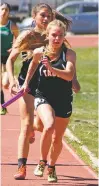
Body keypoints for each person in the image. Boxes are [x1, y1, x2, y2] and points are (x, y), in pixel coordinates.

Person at [21, 19, 76, 183]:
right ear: (48, 35)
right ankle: (42, 162)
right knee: (49, 125)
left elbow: (69, 75)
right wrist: (25, 83)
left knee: (57, 138)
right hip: (43, 95)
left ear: (64, 36)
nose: (57, 39)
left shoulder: (69, 54)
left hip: (63, 99)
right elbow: (32, 66)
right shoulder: (40, 52)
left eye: (60, 35)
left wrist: (52, 69)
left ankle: (51, 167)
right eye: (54, 35)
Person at [6, 3, 54, 180]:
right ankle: (21, 167)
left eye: (49, 15)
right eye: (43, 15)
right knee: (25, 125)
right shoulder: (28, 35)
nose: (46, 19)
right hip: (26, 84)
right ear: (34, 17)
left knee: (40, 126)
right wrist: (12, 81)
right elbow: (11, 60)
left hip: (47, 85)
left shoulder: (54, 36)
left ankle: (35, 127)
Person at [0, 2, 19, 115]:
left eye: (6, 10)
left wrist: (13, 47)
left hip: (7, 57)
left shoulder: (11, 25)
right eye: (2, 9)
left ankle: (12, 80)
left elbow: (18, 38)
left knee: (5, 82)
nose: (3, 12)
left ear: (8, 12)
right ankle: (2, 105)